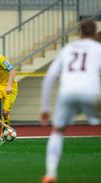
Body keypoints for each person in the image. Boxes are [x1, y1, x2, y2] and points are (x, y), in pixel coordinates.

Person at [40, 21, 101, 183]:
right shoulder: (98, 49)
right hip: (92, 93)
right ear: (95, 34)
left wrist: (45, 108)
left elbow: (49, 78)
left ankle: (51, 174)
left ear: (80, 33)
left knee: (58, 131)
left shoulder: (67, 49)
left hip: (67, 93)